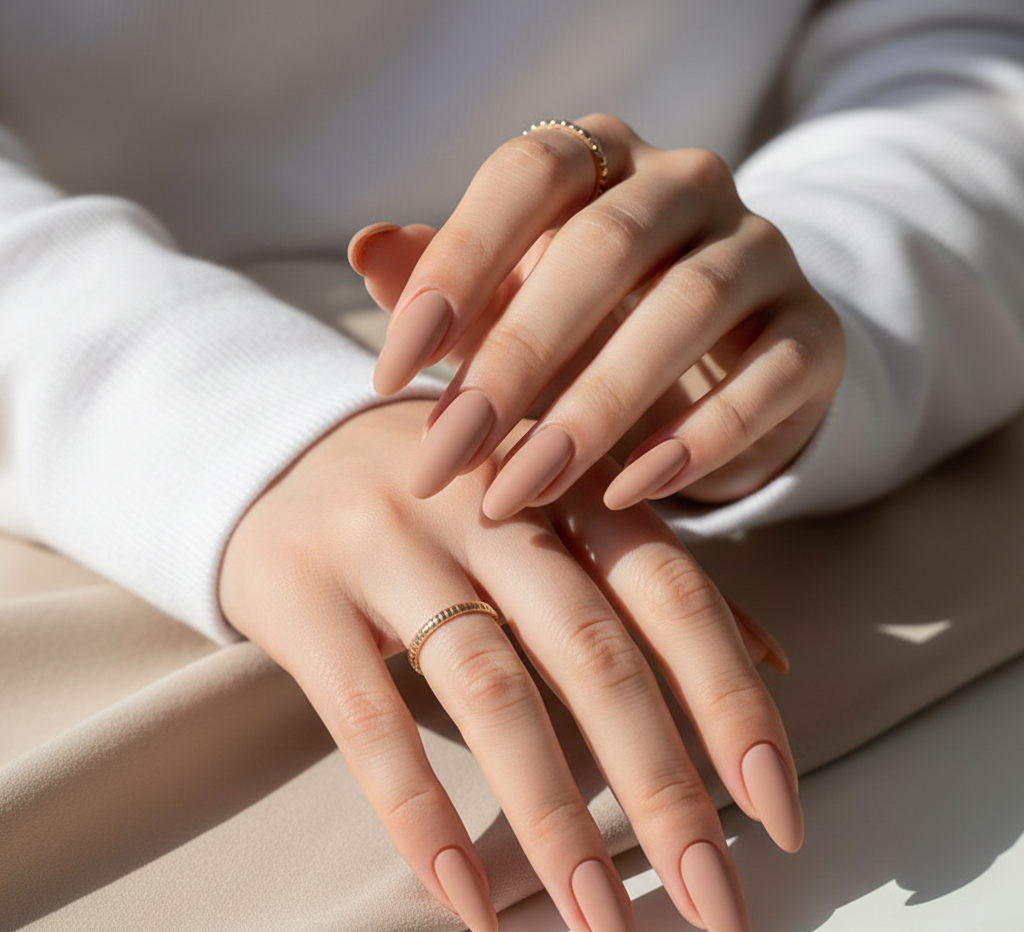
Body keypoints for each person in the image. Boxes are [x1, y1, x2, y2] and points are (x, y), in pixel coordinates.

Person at [2, 1, 1024, 931]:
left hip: (764, 372)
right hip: (97, 410)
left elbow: (972, 47)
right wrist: (219, 415)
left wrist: (797, 308)